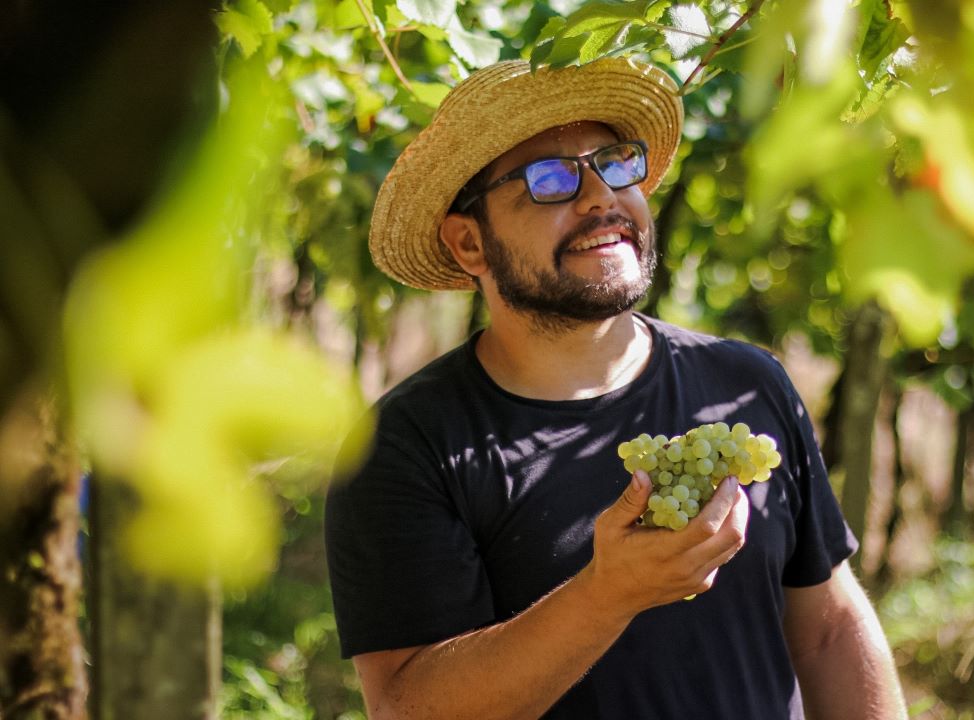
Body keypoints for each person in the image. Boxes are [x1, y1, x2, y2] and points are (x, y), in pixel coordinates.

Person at [324, 57, 908, 720]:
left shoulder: (747, 385)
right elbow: (407, 707)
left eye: (616, 163)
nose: (601, 196)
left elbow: (828, 630)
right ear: (469, 244)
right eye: (549, 179)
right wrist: (607, 594)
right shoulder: (405, 446)